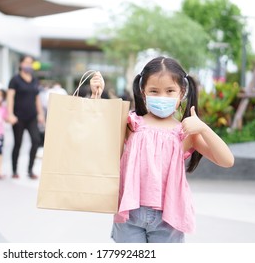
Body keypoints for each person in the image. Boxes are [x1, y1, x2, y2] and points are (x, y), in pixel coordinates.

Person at [90, 56, 234, 243]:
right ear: (143, 92)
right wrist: (95, 98)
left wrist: (203, 128)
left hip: (169, 217)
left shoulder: (186, 132)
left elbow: (227, 160)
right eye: (154, 91)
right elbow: (96, 134)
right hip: (129, 213)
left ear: (182, 92)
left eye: (170, 91)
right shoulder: (131, 123)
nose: (162, 97)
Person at [6, 55, 45, 179]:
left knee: (36, 140)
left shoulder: (34, 80)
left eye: (30, 63)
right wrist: (10, 114)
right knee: (18, 143)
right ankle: (14, 170)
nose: (28, 65)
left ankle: (30, 169)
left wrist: (40, 114)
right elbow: (10, 97)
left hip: (32, 116)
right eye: (26, 62)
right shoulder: (15, 80)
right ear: (21, 64)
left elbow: (37, 98)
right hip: (18, 117)